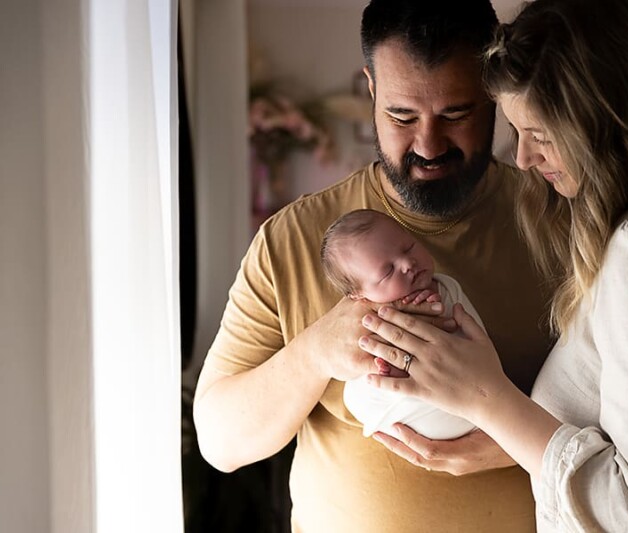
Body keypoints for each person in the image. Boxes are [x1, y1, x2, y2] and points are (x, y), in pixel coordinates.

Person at [358, 0, 628, 531]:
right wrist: (516, 442)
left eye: (540, 136)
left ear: (606, 121)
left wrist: (488, 400)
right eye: (518, 134)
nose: (522, 158)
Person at [192, 1, 553, 531]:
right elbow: (221, 443)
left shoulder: (560, 220)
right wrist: (315, 352)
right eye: (402, 117)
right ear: (371, 90)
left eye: (456, 114)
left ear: (494, 96)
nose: (428, 146)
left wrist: (513, 441)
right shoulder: (291, 240)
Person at [321, 208, 482, 440]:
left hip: (465, 403)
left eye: (409, 247)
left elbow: (473, 348)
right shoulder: (366, 319)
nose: (408, 263)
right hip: (411, 418)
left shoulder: (447, 288)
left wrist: (438, 316)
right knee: (356, 393)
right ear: (359, 296)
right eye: (388, 271)